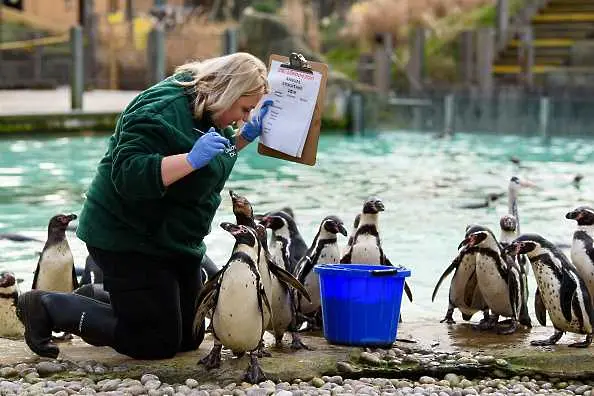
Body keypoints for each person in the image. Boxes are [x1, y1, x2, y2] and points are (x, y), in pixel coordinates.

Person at [17, 52, 273, 360]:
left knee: (188, 337)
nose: (243, 119)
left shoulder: (211, 111)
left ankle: (98, 298)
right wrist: (190, 159)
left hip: (172, 240)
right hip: (128, 236)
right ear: (229, 91)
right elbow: (128, 175)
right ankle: (45, 306)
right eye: (244, 109)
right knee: (155, 341)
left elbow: (212, 162)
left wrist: (242, 139)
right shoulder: (160, 109)